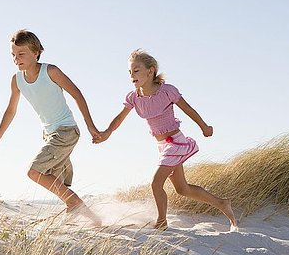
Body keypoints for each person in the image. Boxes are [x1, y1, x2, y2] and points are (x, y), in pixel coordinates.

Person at [93, 49, 237, 231]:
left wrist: (204, 127)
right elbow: (120, 118)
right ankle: (222, 203)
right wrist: (107, 133)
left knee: (156, 183)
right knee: (182, 189)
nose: (132, 75)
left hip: (175, 142)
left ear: (150, 70)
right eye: (130, 72)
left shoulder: (167, 91)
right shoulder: (133, 97)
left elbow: (188, 109)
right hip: (162, 146)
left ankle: (161, 222)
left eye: (136, 70)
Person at [0, 29, 99, 212]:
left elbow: (77, 94)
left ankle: (75, 203)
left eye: (21, 54)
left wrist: (91, 126)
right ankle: (94, 219)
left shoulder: (51, 71)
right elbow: (11, 110)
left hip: (65, 131)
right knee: (53, 178)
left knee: (34, 171)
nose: (16, 59)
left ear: (35, 52)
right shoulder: (16, 80)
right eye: (13, 55)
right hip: (49, 134)